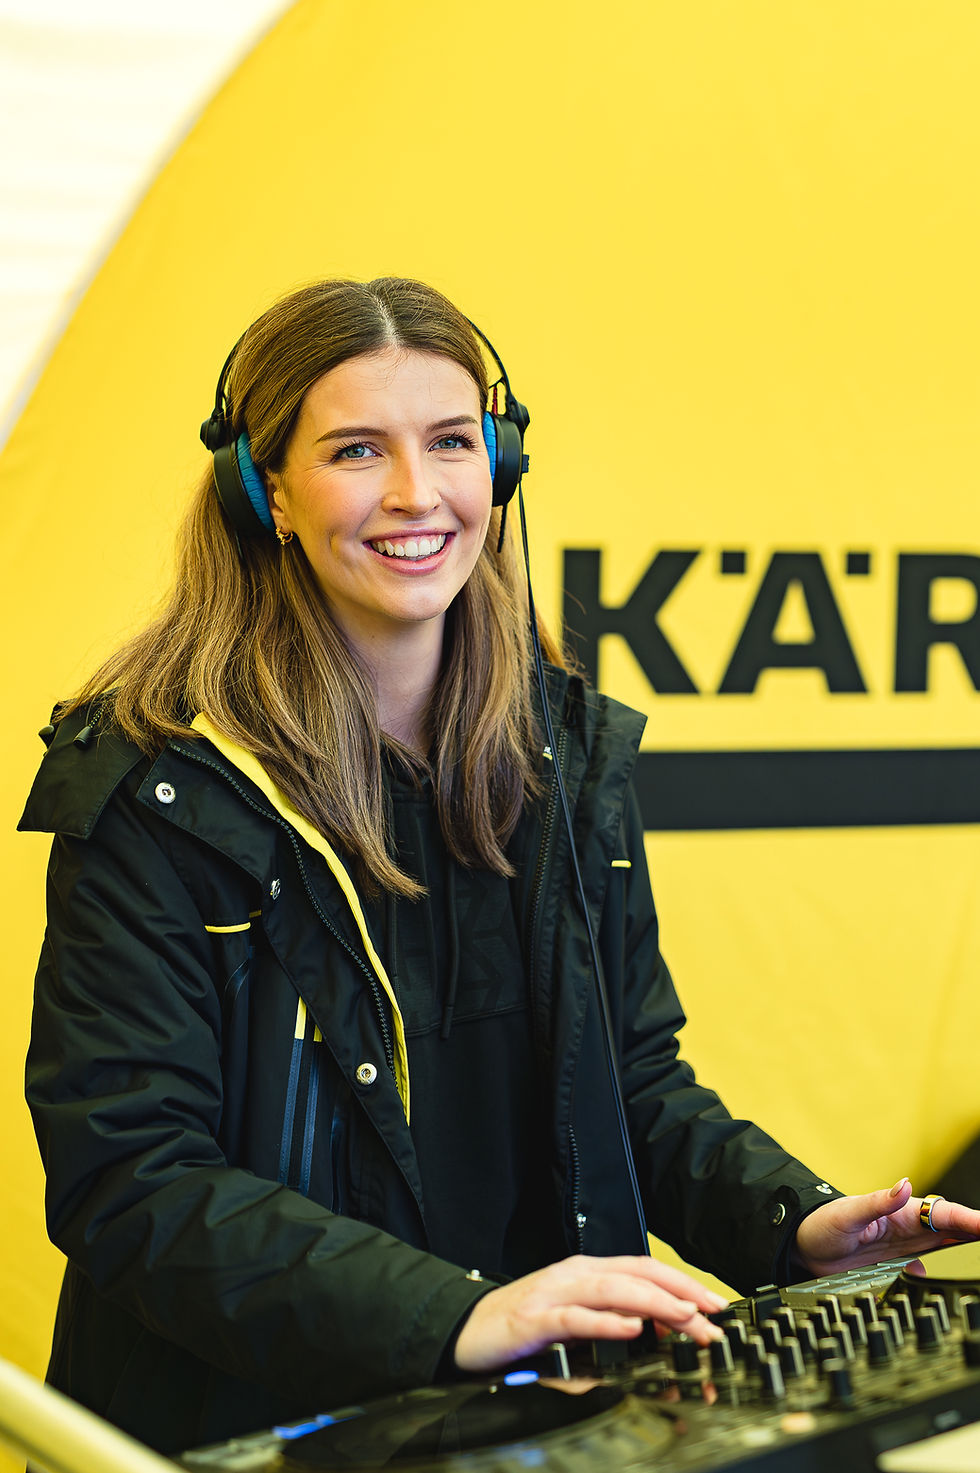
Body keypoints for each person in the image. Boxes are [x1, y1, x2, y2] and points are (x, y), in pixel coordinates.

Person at [21, 277, 980, 1455]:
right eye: (356, 450)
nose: (416, 494)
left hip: (535, 1417)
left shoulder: (565, 755)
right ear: (263, 487)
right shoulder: (155, 783)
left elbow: (632, 1089)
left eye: (449, 443)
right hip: (247, 1430)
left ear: (500, 467)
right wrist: (459, 1315)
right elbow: (135, 1184)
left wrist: (796, 1222)